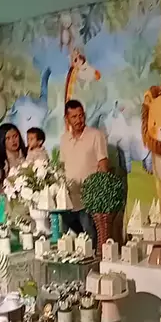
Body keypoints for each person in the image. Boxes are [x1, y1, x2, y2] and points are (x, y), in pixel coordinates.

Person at [59, 100, 109, 247]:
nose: (78, 120)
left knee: (90, 242)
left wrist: (99, 196)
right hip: (68, 201)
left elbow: (103, 164)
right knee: (68, 242)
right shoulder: (64, 139)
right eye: (74, 117)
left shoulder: (96, 135)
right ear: (67, 119)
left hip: (88, 201)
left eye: (81, 115)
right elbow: (62, 166)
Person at [0, 123, 27, 190]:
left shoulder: (28, 155)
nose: (13, 141)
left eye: (15, 136)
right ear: (2, 141)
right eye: (8, 138)